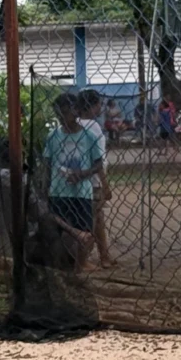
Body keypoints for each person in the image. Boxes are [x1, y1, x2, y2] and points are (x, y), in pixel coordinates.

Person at [44, 93, 102, 265]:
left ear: (76, 111)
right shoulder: (53, 136)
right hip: (58, 190)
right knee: (57, 230)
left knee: (85, 232)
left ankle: (80, 267)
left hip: (81, 192)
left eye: (65, 113)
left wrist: (83, 174)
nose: (61, 118)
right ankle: (63, 266)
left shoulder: (89, 136)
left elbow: (98, 163)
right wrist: (46, 186)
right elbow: (47, 163)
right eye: (58, 114)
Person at [75, 89, 116, 269]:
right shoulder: (93, 126)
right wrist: (106, 185)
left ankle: (104, 256)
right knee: (90, 220)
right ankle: (82, 259)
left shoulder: (73, 123)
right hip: (93, 181)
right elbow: (97, 160)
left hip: (78, 178)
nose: (100, 107)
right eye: (98, 103)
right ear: (91, 106)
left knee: (97, 218)